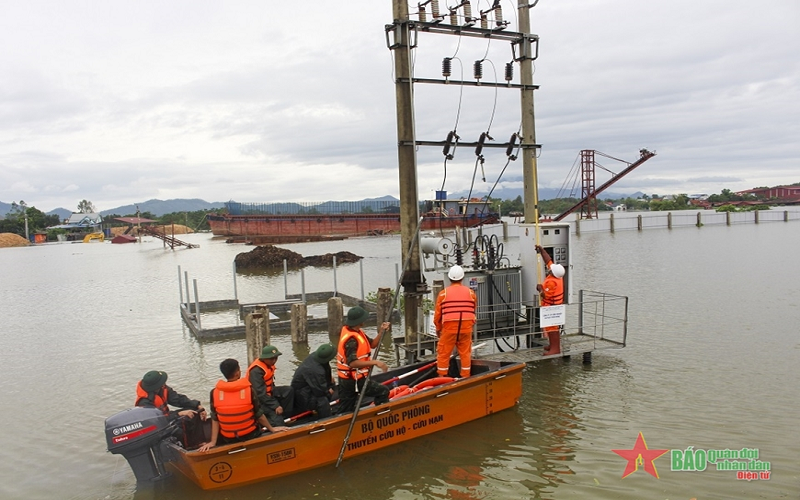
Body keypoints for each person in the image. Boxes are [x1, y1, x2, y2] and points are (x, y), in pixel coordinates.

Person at [198, 358, 288, 452]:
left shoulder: (214, 393)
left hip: (228, 438)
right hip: (250, 434)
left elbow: (215, 418)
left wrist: (213, 442)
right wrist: (272, 429)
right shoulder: (249, 390)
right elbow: (259, 414)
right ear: (237, 373)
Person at [336, 306, 390, 413]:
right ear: (359, 322)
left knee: (347, 406)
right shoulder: (351, 340)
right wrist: (375, 362)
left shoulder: (357, 332)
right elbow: (352, 363)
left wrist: (381, 332)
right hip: (353, 380)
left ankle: (344, 419)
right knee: (383, 391)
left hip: (346, 378)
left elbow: (373, 344)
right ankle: (381, 414)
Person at [135, 370, 207, 448]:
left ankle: (198, 442)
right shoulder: (144, 402)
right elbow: (154, 421)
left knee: (193, 410)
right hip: (158, 426)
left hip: (168, 417)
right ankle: (188, 447)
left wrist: (197, 405)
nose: (164, 384)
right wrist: (178, 414)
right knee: (178, 431)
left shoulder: (163, 389)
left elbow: (178, 399)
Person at [433, 265, 477, 378]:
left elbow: (438, 315)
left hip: (449, 328)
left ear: (449, 278)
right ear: (462, 278)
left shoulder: (443, 294)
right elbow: (473, 309)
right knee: (465, 353)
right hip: (466, 328)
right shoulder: (471, 293)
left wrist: (438, 329)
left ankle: (442, 378)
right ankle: (466, 377)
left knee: (443, 353)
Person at [247, 345, 296, 427]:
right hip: (259, 400)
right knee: (277, 421)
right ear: (264, 358)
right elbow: (260, 394)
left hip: (270, 392)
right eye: (271, 359)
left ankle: (286, 416)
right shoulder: (256, 371)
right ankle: (273, 422)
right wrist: (275, 405)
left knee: (289, 390)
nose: (274, 361)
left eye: (275, 358)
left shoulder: (269, 365)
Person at [290, 343, 337, 419]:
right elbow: (319, 391)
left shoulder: (314, 357)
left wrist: (330, 384)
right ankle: (326, 420)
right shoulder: (315, 370)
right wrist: (328, 391)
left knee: (332, 387)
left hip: (309, 387)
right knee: (322, 401)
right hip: (303, 396)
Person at [535, 244, 566, 355]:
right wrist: (542, 250)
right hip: (554, 306)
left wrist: (540, 289)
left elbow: (545, 295)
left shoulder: (552, 282)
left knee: (552, 328)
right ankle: (552, 345)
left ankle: (555, 348)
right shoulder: (557, 276)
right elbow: (548, 261)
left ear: (553, 273)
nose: (549, 268)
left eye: (551, 270)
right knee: (550, 327)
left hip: (552, 308)